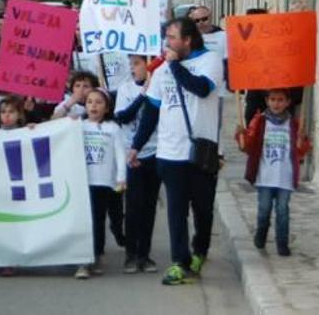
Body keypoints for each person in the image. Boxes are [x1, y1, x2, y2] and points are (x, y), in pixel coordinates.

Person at [129, 17, 224, 286]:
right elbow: (152, 110)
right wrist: (136, 145)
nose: (167, 43)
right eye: (166, 37)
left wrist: (173, 64)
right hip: (169, 152)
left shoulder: (210, 60)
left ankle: (200, 250)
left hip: (200, 150)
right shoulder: (161, 70)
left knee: (203, 209)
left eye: (172, 37)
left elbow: (201, 89)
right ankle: (179, 261)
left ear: (187, 40)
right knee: (176, 210)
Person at [242, 89, 310, 256]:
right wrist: (241, 136)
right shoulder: (260, 122)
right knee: (264, 209)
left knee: (283, 210)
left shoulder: (293, 125)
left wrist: (303, 140)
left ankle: (282, 243)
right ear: (267, 101)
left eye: (280, 100)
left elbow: (301, 151)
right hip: (265, 175)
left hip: (284, 175)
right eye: (273, 99)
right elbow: (249, 145)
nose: (276, 103)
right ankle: (261, 233)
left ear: (287, 102)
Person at [77, 89, 128, 279]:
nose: (93, 106)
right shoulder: (79, 126)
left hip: (104, 181)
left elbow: (120, 154)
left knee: (98, 220)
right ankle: (84, 258)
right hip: (84, 181)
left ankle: (96, 254)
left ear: (107, 108)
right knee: (87, 220)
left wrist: (121, 177)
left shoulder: (113, 128)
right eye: (90, 102)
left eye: (99, 102)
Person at [115, 55, 159, 274]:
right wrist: (144, 94)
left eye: (138, 64)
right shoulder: (126, 89)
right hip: (131, 155)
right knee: (133, 206)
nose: (133, 68)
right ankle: (131, 254)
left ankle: (145, 254)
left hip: (154, 152)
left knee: (149, 207)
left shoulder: (158, 85)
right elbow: (123, 116)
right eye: (130, 64)